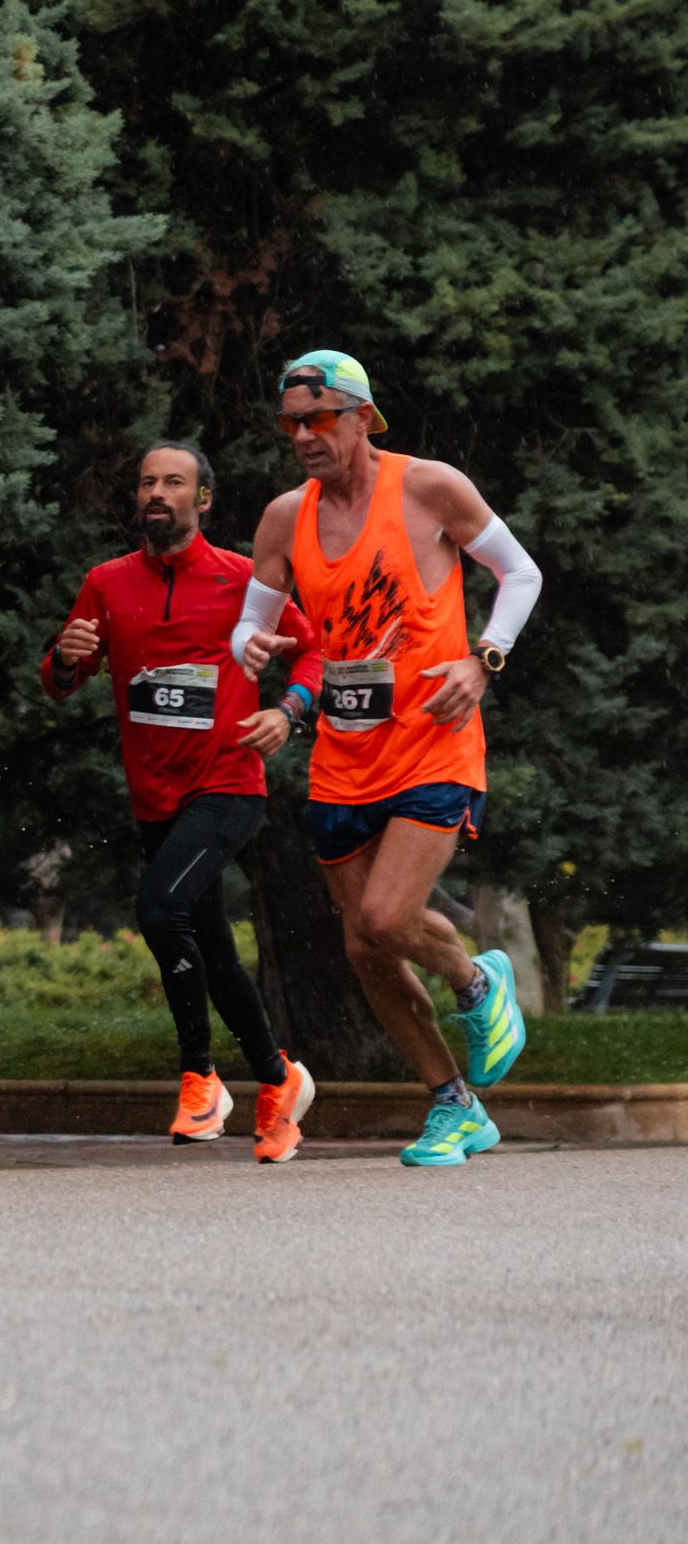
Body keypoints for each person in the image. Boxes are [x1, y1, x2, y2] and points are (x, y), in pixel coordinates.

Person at [230, 351, 544, 1166]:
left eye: (320, 418)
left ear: (363, 417)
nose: (304, 435)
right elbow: (245, 632)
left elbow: (520, 572)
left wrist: (485, 661)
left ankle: (478, 983)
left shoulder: (428, 486)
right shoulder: (281, 518)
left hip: (434, 737)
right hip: (344, 748)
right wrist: (251, 644)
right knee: (366, 948)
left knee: (385, 916)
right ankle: (454, 1104)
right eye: (291, 423)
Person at [44, 442, 324, 1160]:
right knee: (215, 951)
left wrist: (289, 712)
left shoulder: (243, 580)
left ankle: (199, 1075)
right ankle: (277, 1078)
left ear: (203, 499)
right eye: (146, 482)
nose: (156, 492)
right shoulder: (106, 582)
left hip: (228, 781)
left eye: (174, 481)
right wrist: (67, 656)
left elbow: (313, 649)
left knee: (160, 908)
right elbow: (62, 675)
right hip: (154, 793)